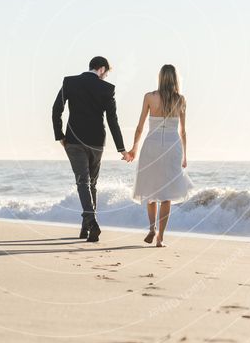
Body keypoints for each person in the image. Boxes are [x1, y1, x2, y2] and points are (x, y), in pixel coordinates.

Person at [52, 56, 133, 242]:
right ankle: (88, 225)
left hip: (73, 140)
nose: (105, 76)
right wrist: (121, 149)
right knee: (91, 184)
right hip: (97, 142)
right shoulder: (107, 89)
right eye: (106, 73)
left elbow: (56, 109)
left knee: (83, 182)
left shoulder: (70, 82)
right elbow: (113, 121)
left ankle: (90, 223)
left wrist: (60, 136)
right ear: (102, 69)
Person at [127, 64, 194, 247]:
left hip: (151, 145)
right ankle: (161, 238)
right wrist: (185, 156)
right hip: (172, 147)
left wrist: (133, 148)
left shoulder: (149, 97)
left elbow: (140, 126)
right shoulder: (180, 100)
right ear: (175, 79)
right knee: (166, 195)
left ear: (160, 77)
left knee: (150, 190)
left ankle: (151, 228)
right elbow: (183, 131)